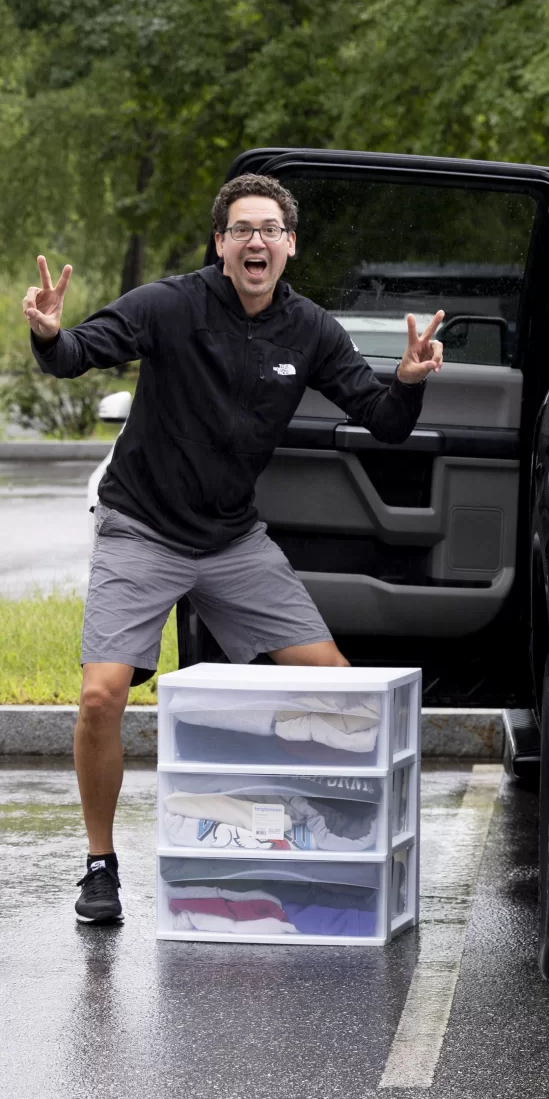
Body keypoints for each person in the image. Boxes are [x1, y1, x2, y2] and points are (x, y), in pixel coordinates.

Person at [21, 173, 447, 924]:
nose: (257, 240)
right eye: (241, 228)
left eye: (270, 229)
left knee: (339, 686)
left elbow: (383, 420)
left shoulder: (311, 328)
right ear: (220, 244)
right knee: (99, 695)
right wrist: (51, 332)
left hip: (232, 540)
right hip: (142, 528)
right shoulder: (168, 304)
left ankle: (325, 841)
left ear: (289, 245)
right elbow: (77, 353)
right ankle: (99, 864)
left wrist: (408, 381)